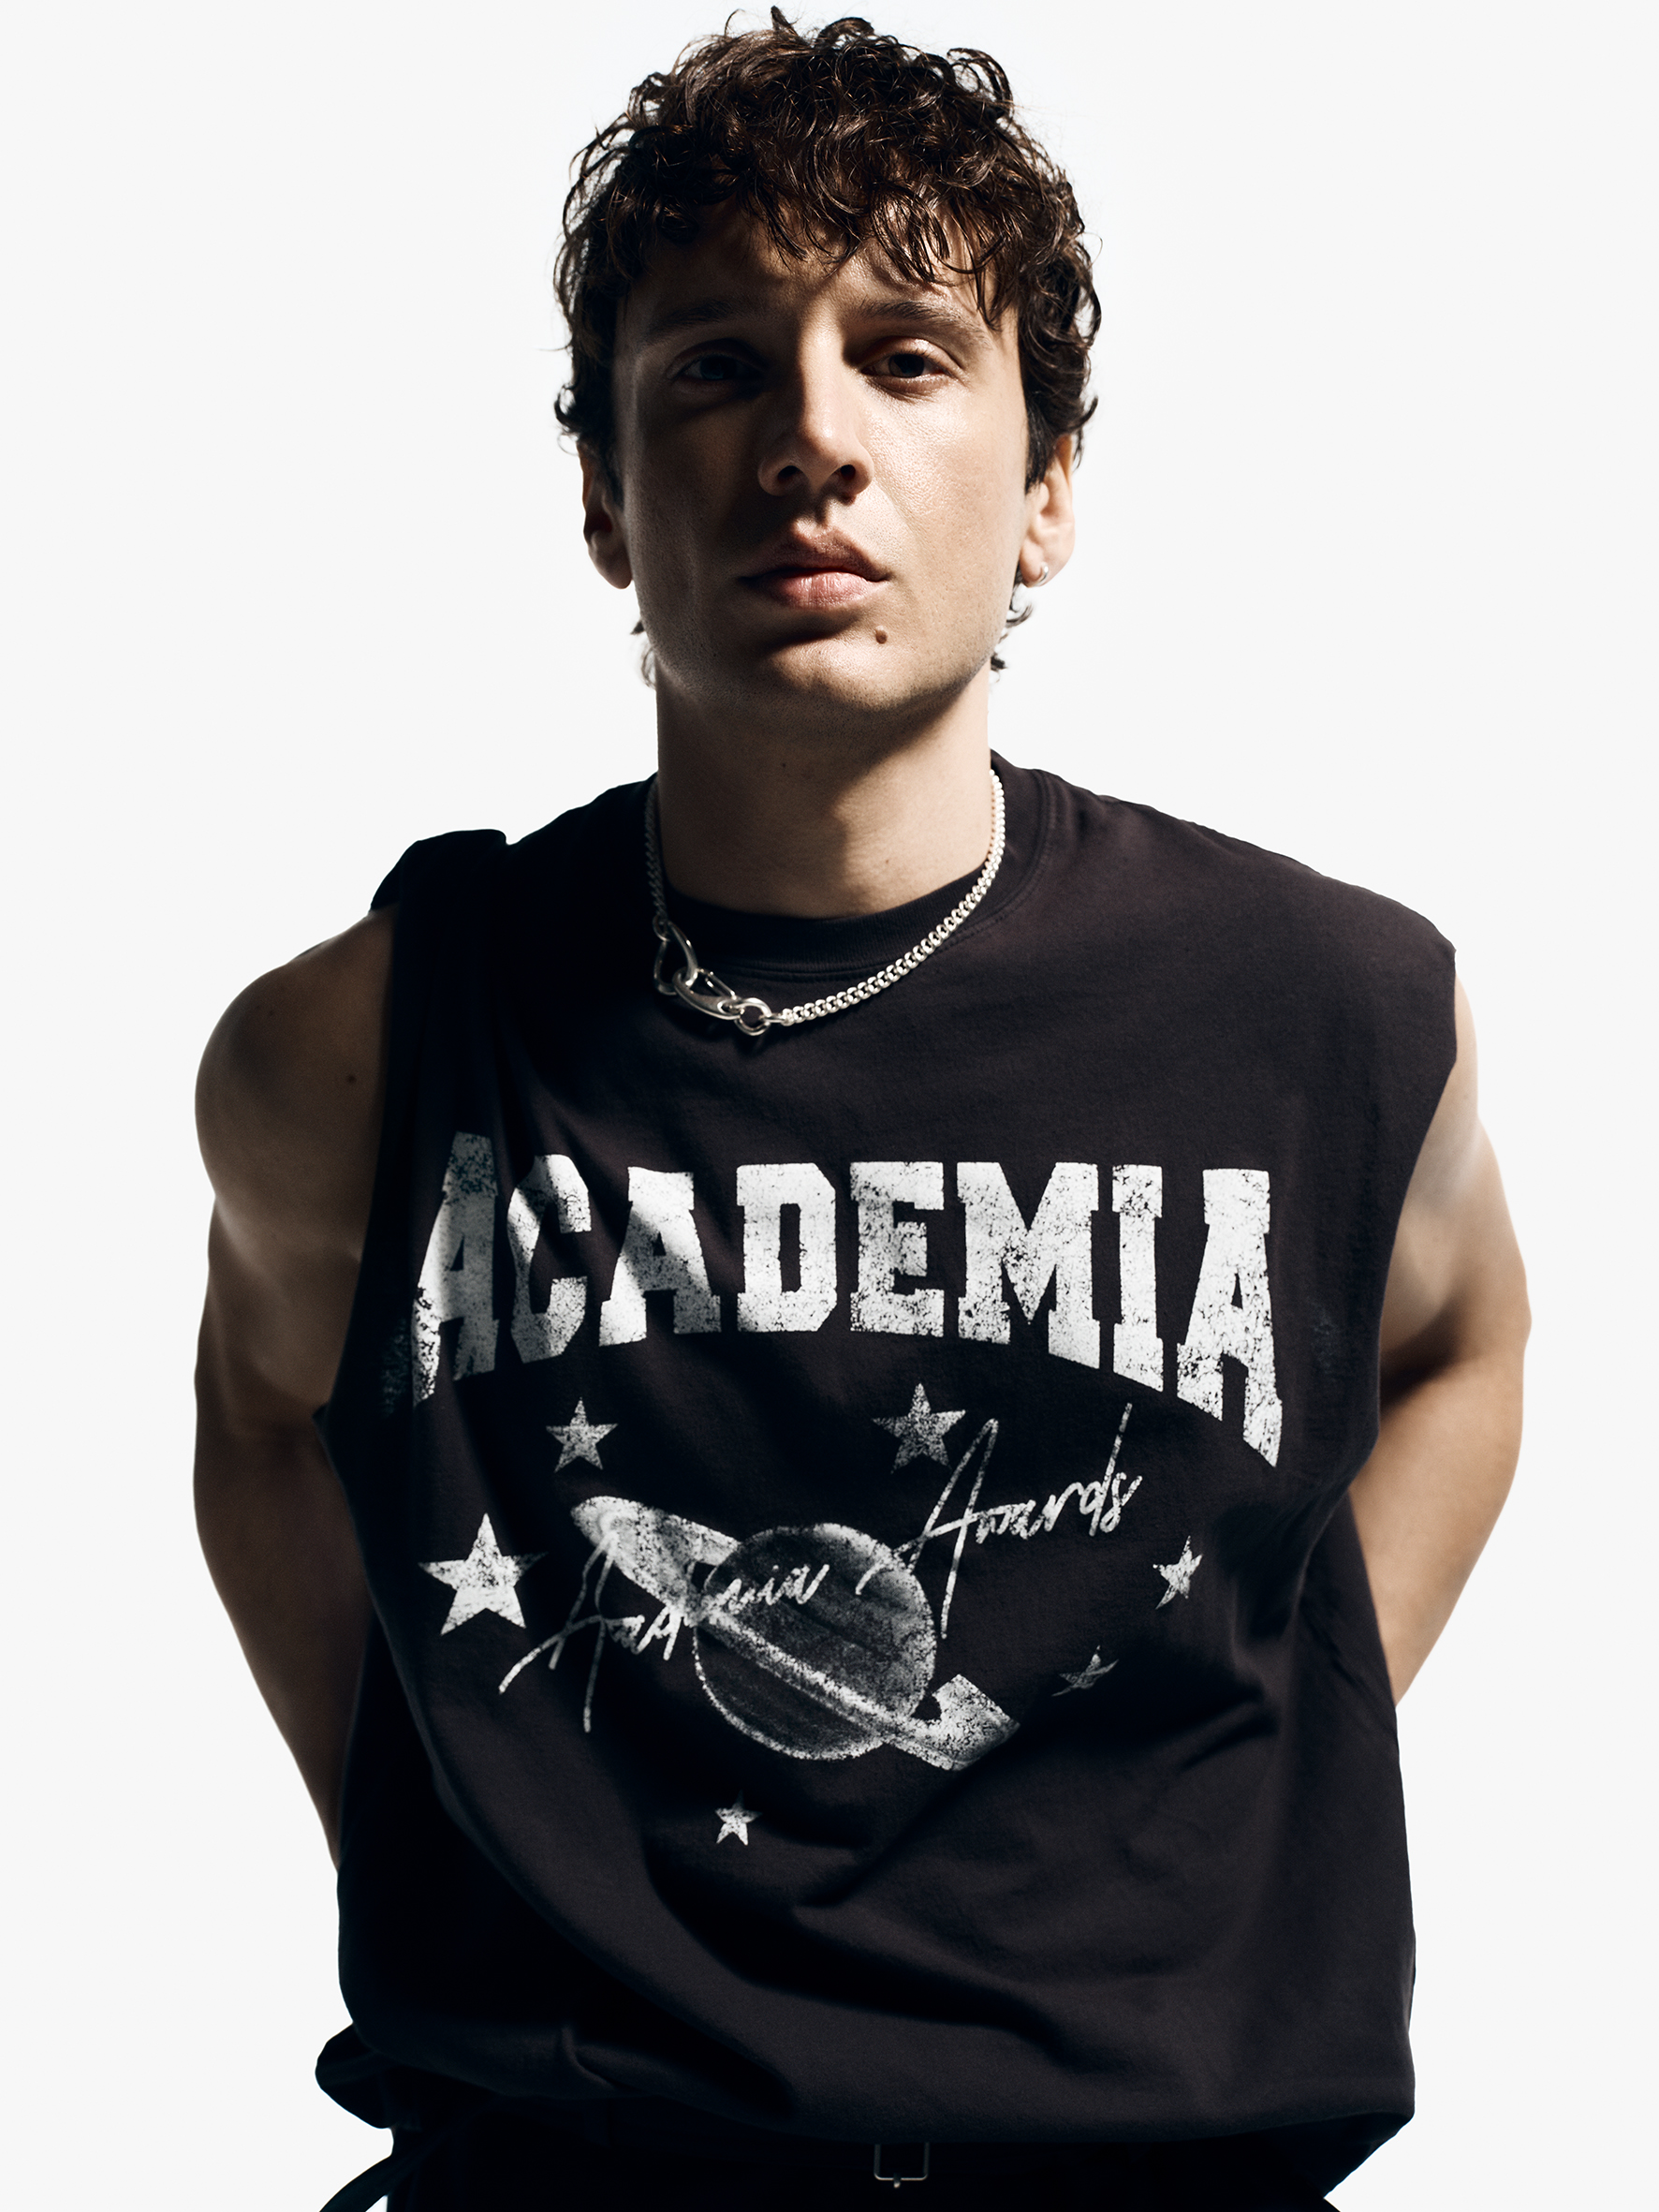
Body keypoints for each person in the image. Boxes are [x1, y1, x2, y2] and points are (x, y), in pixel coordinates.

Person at [193, 14, 1529, 2210]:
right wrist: (463, 1833)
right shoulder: (355, 1051)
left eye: (905, 358)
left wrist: (1264, 1762)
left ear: (1048, 486)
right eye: (718, 366)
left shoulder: (1329, 1008)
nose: (811, 438)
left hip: (1147, 2166)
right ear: (607, 498)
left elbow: (1463, 1341)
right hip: (573, 2160)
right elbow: (265, 1421)